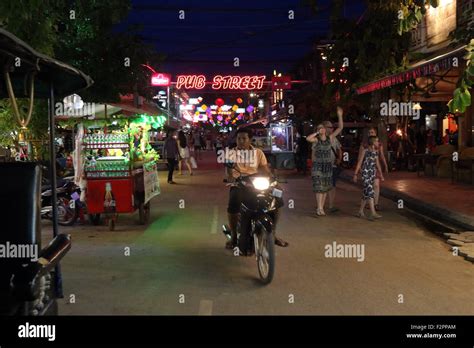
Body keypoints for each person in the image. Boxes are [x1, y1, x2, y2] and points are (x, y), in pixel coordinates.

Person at [225, 128, 288, 250]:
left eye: (244, 138)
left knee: (277, 199)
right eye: (239, 139)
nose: (241, 141)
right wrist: (231, 177)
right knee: (233, 202)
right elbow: (229, 171)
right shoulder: (231, 153)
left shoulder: (258, 153)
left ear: (250, 140)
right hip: (239, 183)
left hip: (255, 181)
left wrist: (274, 181)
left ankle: (273, 233)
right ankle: (233, 236)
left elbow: (265, 169)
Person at [306, 106, 344, 216]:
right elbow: (308, 138)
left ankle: (321, 207)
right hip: (318, 166)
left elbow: (340, 128)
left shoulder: (330, 138)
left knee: (325, 188)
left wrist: (340, 115)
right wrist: (317, 133)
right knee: (319, 187)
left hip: (328, 166)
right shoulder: (316, 140)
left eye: (323, 128)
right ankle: (319, 207)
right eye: (320, 128)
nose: (323, 129)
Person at [353, 136, 385, 221]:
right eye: (377, 141)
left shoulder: (375, 152)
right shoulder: (365, 151)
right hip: (366, 173)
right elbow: (360, 162)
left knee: (365, 193)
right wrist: (355, 174)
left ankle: (360, 211)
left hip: (372, 173)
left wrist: (381, 174)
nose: (378, 143)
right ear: (373, 142)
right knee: (370, 191)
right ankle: (373, 213)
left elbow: (377, 163)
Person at [359, 127, 388, 210]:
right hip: (367, 168)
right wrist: (360, 168)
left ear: (375, 134)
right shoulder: (364, 145)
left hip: (375, 167)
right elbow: (360, 158)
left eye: (372, 132)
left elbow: (381, 156)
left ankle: (376, 204)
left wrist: (385, 165)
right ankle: (368, 205)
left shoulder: (378, 144)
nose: (370, 134)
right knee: (369, 187)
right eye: (369, 132)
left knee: (376, 185)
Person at [322, 120, 342, 213]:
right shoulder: (321, 138)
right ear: (325, 128)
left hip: (333, 165)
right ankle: (320, 206)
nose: (332, 129)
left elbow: (339, 148)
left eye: (332, 127)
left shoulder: (334, 138)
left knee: (332, 185)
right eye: (330, 127)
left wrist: (339, 159)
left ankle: (330, 205)